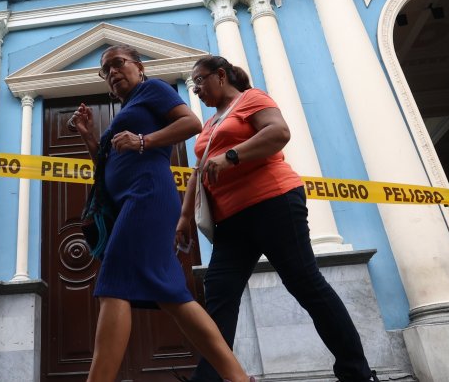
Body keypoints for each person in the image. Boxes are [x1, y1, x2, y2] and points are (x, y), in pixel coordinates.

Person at [176, 55, 376, 382]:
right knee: (219, 294)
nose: (196, 89)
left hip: (274, 203)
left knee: (305, 284)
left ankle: (357, 373)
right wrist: (184, 216)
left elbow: (278, 132)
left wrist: (232, 155)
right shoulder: (210, 125)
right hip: (230, 221)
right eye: (193, 84)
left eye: (199, 81)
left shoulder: (252, 99)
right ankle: (210, 378)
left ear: (221, 75)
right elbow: (198, 173)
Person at [70, 45, 254, 382]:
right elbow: (107, 163)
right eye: (105, 70)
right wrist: (89, 138)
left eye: (117, 64)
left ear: (139, 67)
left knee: (113, 283)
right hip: (130, 201)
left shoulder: (152, 90)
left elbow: (191, 123)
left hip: (147, 197)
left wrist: (143, 141)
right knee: (172, 295)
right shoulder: (125, 111)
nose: (111, 73)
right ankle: (239, 378)